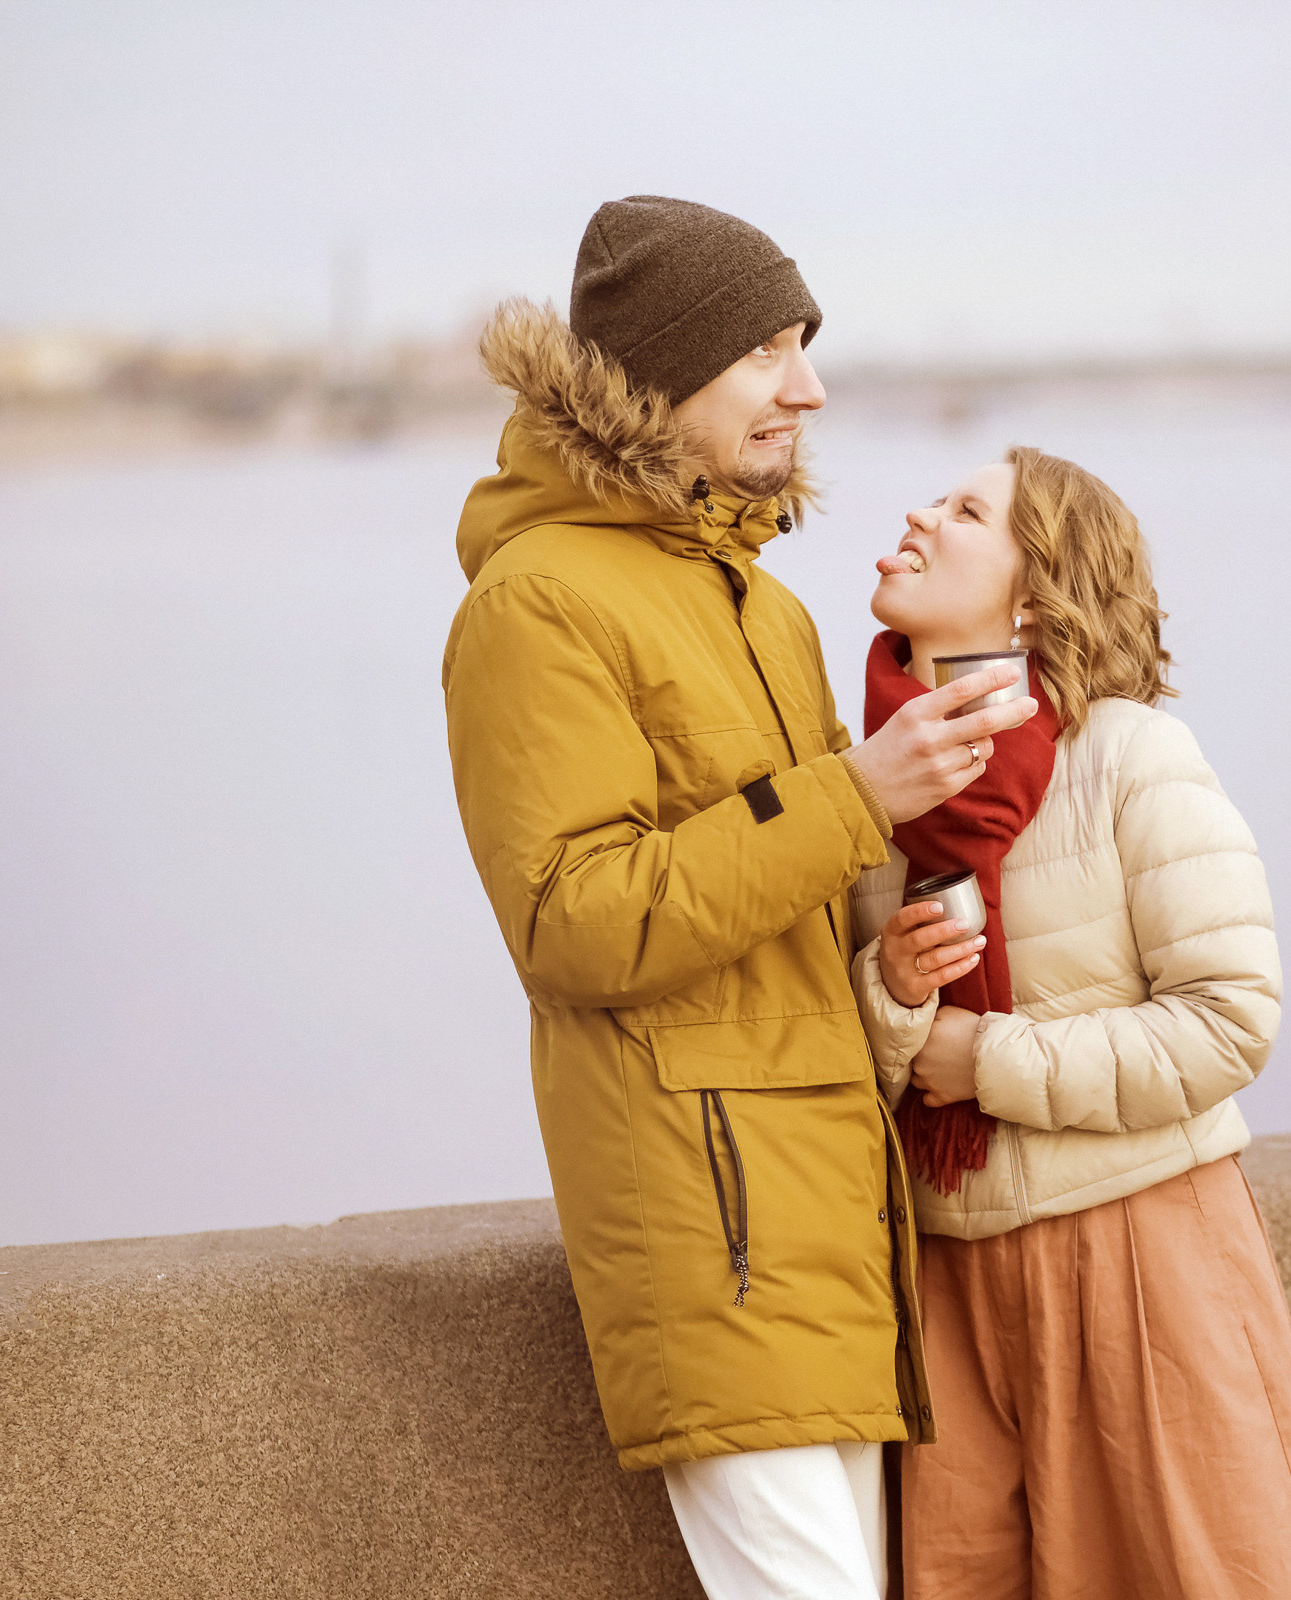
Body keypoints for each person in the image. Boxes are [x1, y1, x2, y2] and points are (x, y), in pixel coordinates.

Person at [442, 196, 1038, 1600]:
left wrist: (891, 957)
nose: (809, 389)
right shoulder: (536, 604)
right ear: (660, 371)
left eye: (805, 347)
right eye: (768, 352)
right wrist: (856, 798)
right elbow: (570, 923)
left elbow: (782, 907)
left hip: (834, 1218)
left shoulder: (768, 610)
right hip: (712, 1231)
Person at [849, 448, 1291, 1599]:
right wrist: (892, 994)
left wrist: (990, 1059)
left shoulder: (1131, 755)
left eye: (967, 508)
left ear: (1030, 596)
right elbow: (845, 1056)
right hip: (947, 1284)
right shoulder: (866, 791)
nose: (919, 512)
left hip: (1145, 1263)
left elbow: (1230, 1021)